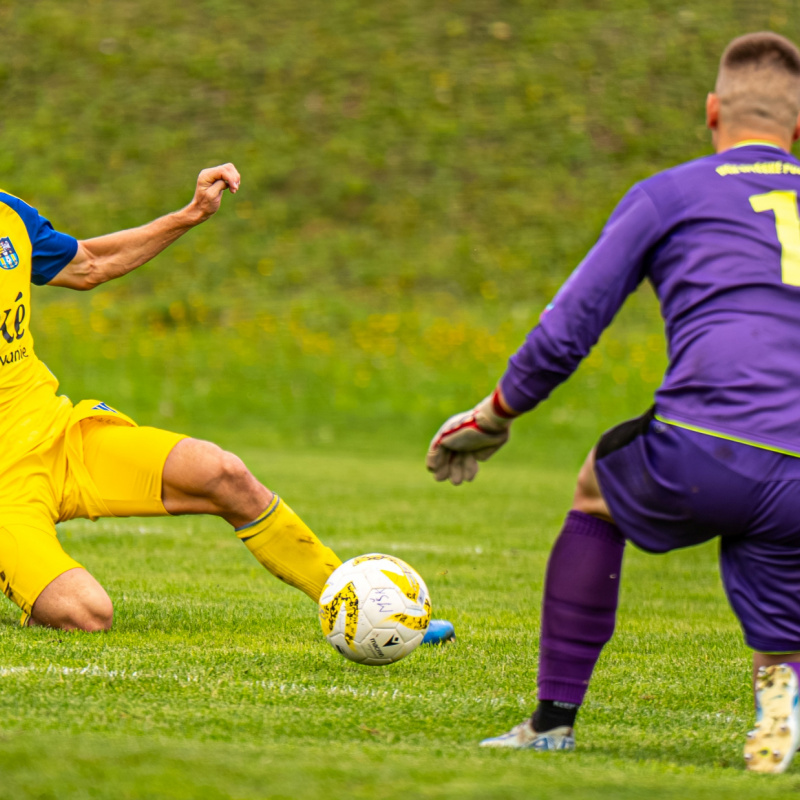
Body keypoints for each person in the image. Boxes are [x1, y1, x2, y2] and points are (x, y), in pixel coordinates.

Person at [427, 31, 800, 773]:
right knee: (780, 589)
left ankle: (551, 724)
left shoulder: (672, 194)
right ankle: (777, 709)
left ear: (712, 111)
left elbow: (568, 328)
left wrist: (495, 415)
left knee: (598, 488)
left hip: (707, 442)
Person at [2, 163, 453, 645]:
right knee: (86, 614)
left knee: (221, 473)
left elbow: (89, 263)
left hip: (57, 434)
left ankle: (359, 608)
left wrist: (190, 214)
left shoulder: (10, 215)